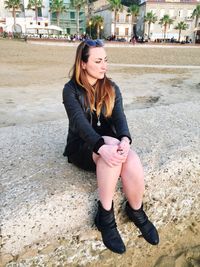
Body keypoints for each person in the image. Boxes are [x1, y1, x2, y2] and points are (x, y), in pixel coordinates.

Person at [62, 39, 159, 254]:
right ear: (83, 63)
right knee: (110, 152)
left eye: (106, 60)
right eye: (98, 61)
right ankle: (105, 216)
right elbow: (79, 124)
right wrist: (100, 146)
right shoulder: (70, 91)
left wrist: (125, 139)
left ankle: (136, 210)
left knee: (131, 157)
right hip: (82, 146)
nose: (104, 65)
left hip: (110, 143)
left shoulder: (112, 87)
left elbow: (120, 118)